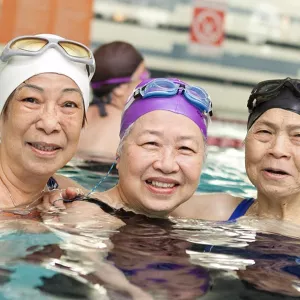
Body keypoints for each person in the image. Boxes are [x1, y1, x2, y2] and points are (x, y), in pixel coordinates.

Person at [46, 77, 213, 220]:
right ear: (118, 153)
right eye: (151, 143)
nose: (167, 165)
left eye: (185, 148)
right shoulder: (86, 218)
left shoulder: (208, 217)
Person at [172, 77, 300, 225]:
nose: (277, 150)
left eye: (298, 135)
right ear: (245, 141)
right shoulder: (207, 214)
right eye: (264, 132)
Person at [0, 33, 95, 218]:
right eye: (31, 100)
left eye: (68, 104)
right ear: (3, 113)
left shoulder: (71, 194)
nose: (50, 124)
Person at [76, 41, 150, 162]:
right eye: (143, 76)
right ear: (120, 88)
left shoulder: (74, 118)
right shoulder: (130, 129)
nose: (147, 83)